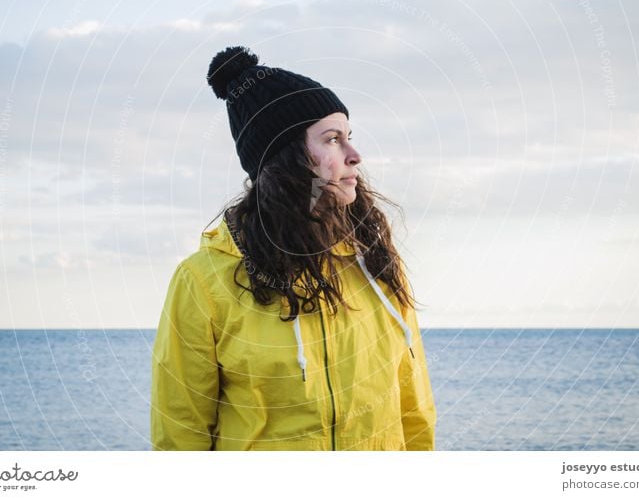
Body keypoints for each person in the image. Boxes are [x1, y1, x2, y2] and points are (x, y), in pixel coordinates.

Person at [150, 46, 436, 451]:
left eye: (349, 137)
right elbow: (180, 433)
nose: (355, 155)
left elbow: (414, 410)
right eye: (333, 140)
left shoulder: (375, 264)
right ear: (284, 157)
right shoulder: (202, 282)